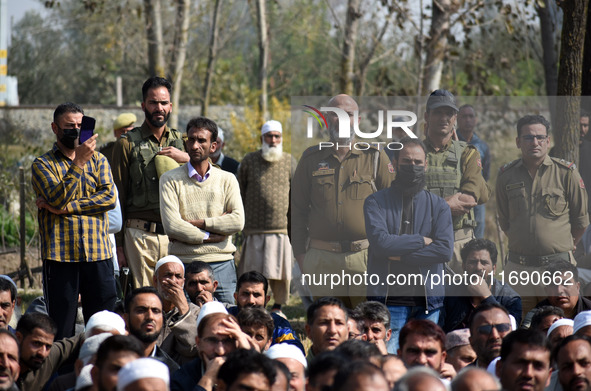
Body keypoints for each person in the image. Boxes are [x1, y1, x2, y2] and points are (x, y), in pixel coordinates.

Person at [291, 94, 394, 307]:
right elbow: (296, 212)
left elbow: (394, 208)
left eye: (348, 114)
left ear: (358, 120)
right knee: (331, 325)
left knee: (365, 323)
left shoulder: (375, 157)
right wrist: (302, 258)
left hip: (366, 257)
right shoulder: (310, 159)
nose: (342, 119)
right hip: (322, 258)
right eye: (335, 115)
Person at [32, 102, 117, 340]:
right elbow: (56, 198)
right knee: (61, 327)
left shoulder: (99, 160)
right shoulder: (42, 164)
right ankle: (62, 376)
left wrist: (67, 208)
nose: (77, 131)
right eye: (70, 126)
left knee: (103, 325)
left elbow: (109, 198)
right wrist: (78, 162)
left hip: (98, 254)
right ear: (55, 128)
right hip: (61, 256)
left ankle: (100, 374)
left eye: (81, 126)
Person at [363, 137, 453, 352]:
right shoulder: (375, 202)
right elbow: (381, 245)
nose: (412, 167)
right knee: (389, 360)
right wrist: (421, 240)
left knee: (425, 360)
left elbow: (444, 249)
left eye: (417, 163)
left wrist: (402, 256)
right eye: (406, 162)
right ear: (394, 163)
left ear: (426, 164)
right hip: (388, 301)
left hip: (428, 303)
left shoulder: (438, 205)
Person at [496, 114, 589, 315]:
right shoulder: (505, 175)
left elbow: (581, 220)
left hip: (558, 270)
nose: (534, 142)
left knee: (562, 326)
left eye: (540, 137)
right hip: (519, 270)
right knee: (520, 329)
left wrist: (565, 244)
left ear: (548, 141)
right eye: (528, 137)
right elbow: (504, 221)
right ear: (518, 142)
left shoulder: (566, 173)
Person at [112, 77, 189, 289]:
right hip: (139, 237)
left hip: (176, 238)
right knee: (144, 299)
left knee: (173, 298)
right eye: (153, 102)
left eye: (164, 103)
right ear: (143, 105)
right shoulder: (126, 144)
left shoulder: (183, 142)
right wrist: (118, 246)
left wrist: (188, 159)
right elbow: (116, 196)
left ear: (171, 106)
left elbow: (211, 175)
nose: (159, 108)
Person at [159, 116, 244, 304]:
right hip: (183, 263)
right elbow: (172, 226)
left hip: (221, 262)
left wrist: (197, 224)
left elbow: (237, 221)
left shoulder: (227, 179)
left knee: (226, 318)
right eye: (191, 139)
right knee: (183, 321)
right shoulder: (170, 179)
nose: (195, 145)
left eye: (201, 140)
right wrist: (209, 235)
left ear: (213, 146)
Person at [422, 90, 489, 274]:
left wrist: (430, 208)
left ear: (455, 118)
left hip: (459, 245)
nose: (444, 118)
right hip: (425, 243)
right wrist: (446, 206)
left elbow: (469, 199)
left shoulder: (467, 152)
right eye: (437, 112)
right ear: (427, 116)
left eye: (449, 113)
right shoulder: (414, 153)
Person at [238, 120, 297, 313]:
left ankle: (278, 307)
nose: (273, 140)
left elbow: (297, 196)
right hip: (254, 229)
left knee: (281, 274)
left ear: (281, 138)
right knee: (252, 273)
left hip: (281, 229)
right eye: (269, 136)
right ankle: (253, 306)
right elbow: (239, 191)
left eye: (276, 136)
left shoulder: (290, 161)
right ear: (262, 138)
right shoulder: (249, 160)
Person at [170, 303, 256, 391]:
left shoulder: (245, 370)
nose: (220, 351)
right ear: (198, 343)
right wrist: (208, 380)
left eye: (227, 341)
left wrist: (248, 357)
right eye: (212, 340)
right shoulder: (181, 379)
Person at [443, 238, 522, 332]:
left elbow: (510, 330)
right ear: (463, 266)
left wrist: (487, 297)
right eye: (472, 262)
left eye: (484, 263)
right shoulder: (449, 292)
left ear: (494, 269)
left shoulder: (510, 298)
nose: (478, 267)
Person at [227, 272, 303, 353]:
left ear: (267, 299)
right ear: (236, 297)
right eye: (245, 294)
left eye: (256, 295)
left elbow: (295, 352)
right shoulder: (226, 317)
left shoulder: (278, 324)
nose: (251, 301)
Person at [15, 313, 83, 391]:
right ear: (18, 337)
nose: (42, 353)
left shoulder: (46, 360)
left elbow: (81, 338)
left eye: (48, 346)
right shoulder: (4, 363)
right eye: (36, 343)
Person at [122, 287, 179, 374]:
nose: (150, 317)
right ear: (126, 319)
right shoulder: (112, 363)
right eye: (141, 311)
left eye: (155, 311)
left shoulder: (172, 372)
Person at [456, 105, 490, 239]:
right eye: (464, 116)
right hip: (456, 195)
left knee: (478, 236)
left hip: (477, 200)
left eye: (471, 116)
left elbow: (485, 174)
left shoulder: (482, 146)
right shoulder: (452, 142)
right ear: (457, 119)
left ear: (475, 120)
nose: (467, 120)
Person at [468, 302, 512, 369]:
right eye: (485, 329)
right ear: (471, 341)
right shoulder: (460, 378)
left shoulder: (529, 375)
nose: (495, 336)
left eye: (502, 327)